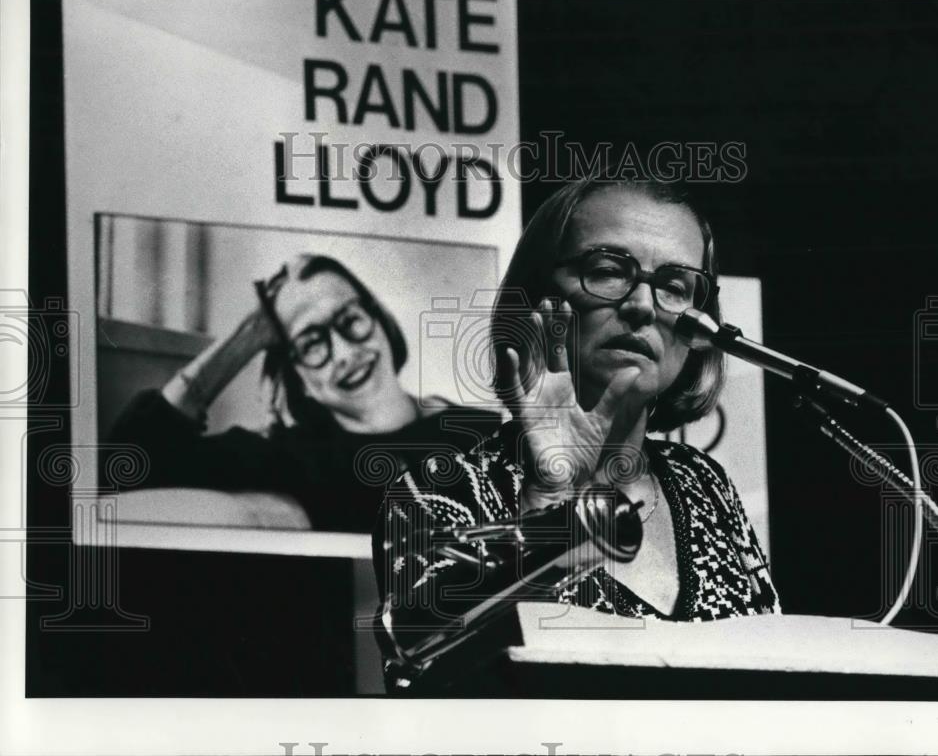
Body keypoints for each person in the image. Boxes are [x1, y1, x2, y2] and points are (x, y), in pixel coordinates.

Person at [375, 176, 779, 670]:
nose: (642, 306)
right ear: (538, 293)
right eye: (608, 271)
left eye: (675, 286)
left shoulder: (704, 484)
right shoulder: (444, 488)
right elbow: (422, 656)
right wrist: (548, 500)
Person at [108, 254, 500, 533]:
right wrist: (247, 336)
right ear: (295, 370)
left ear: (378, 318)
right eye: (312, 343)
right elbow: (127, 460)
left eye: (350, 321)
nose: (345, 354)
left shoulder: (485, 429)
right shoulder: (294, 457)